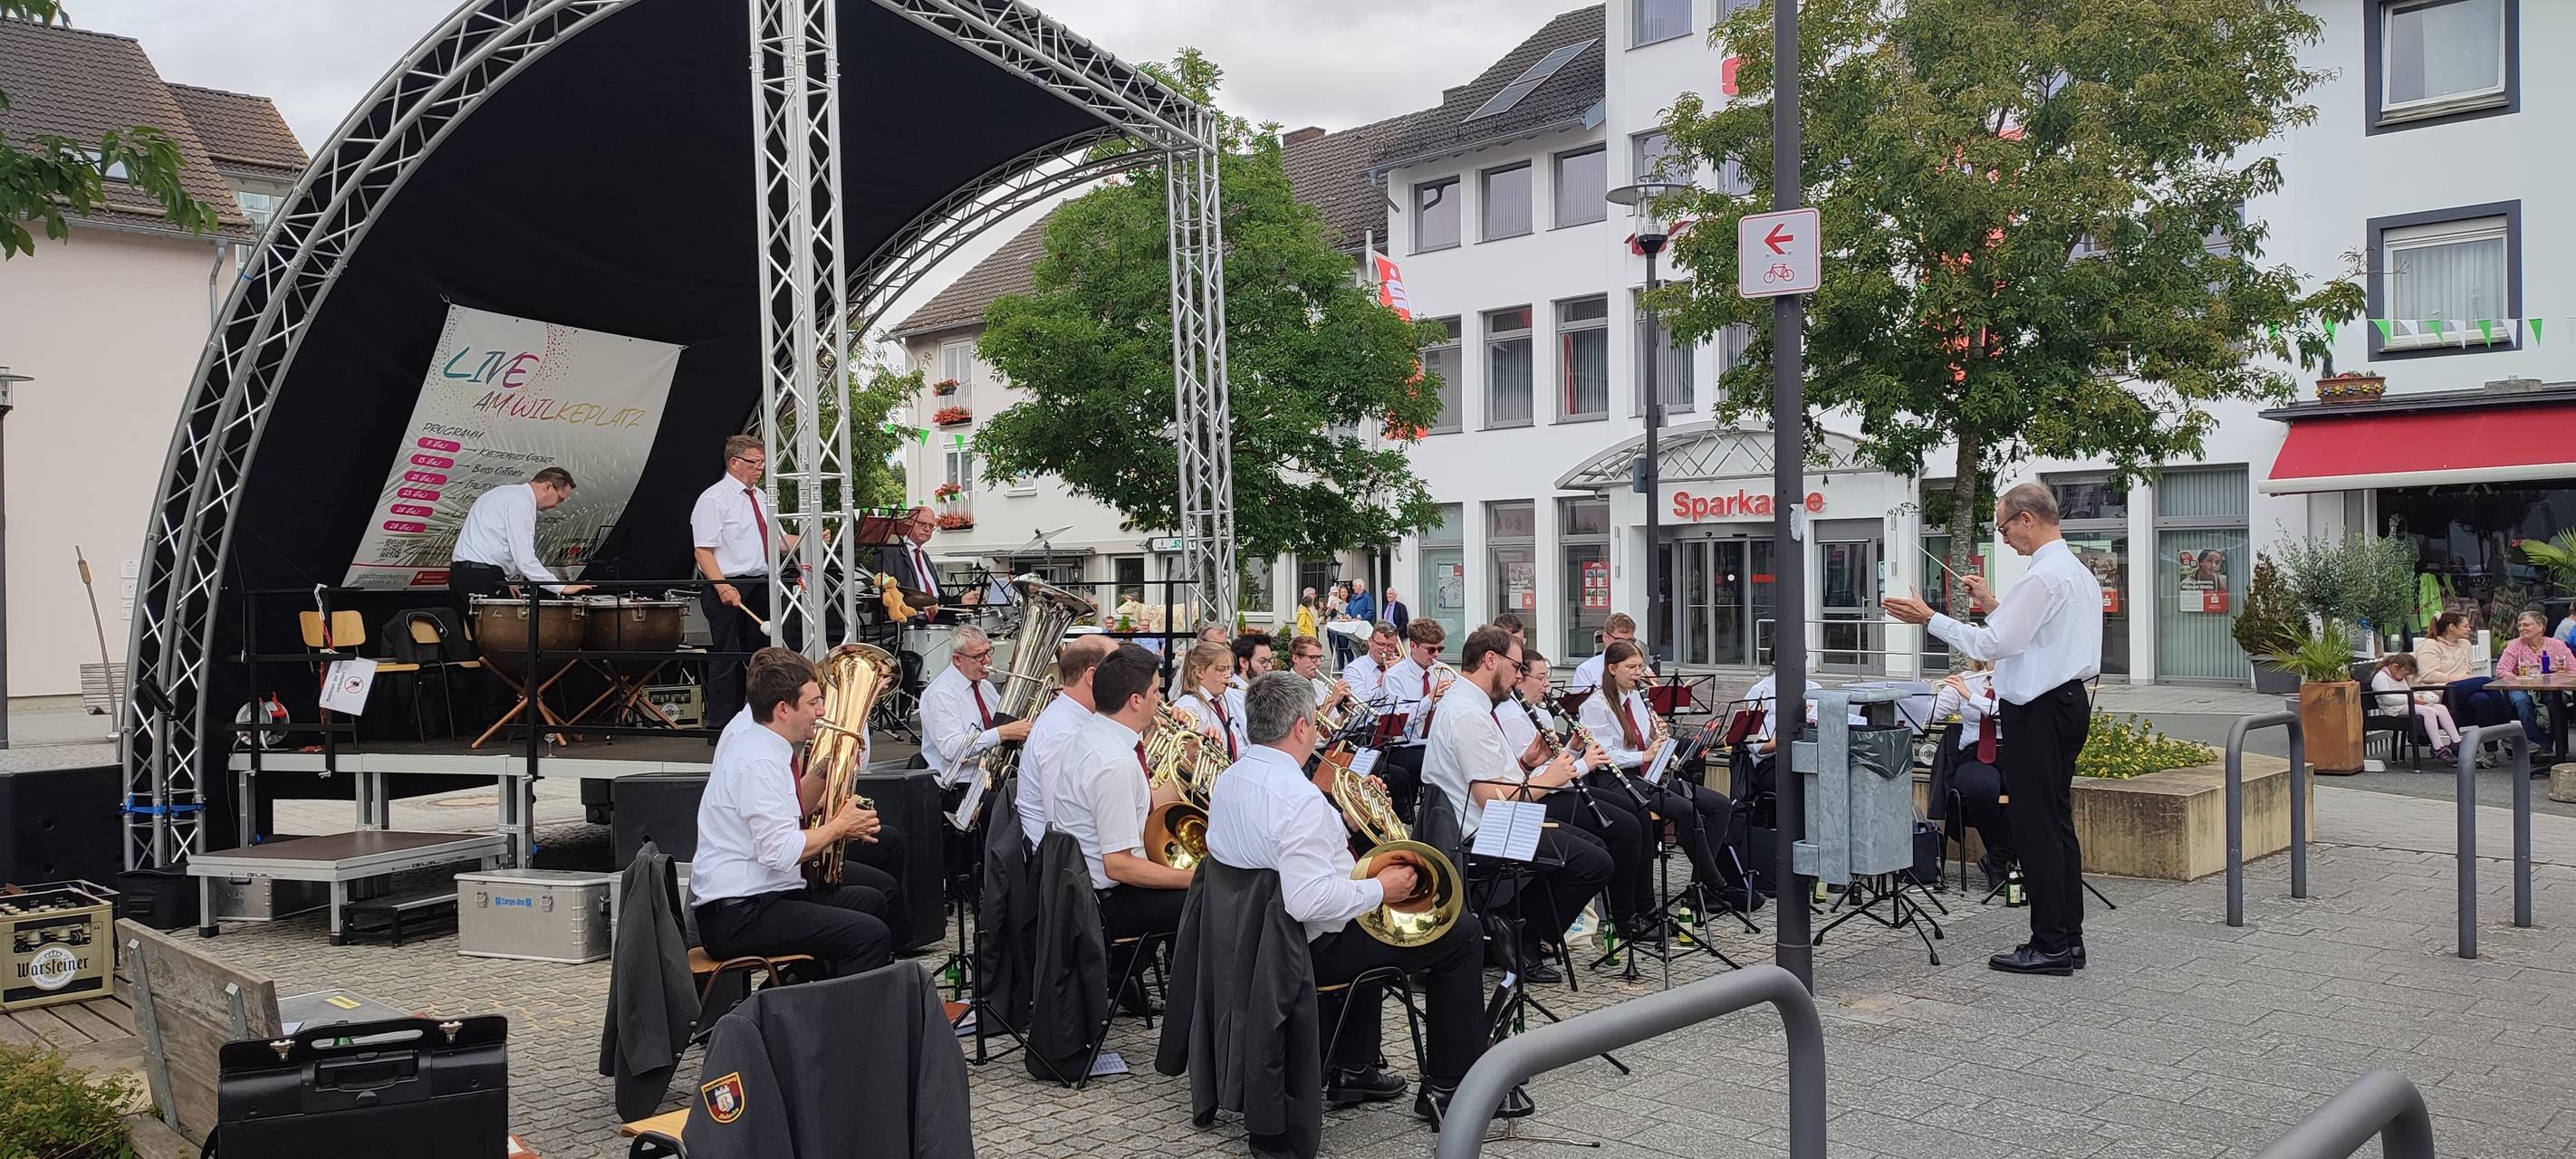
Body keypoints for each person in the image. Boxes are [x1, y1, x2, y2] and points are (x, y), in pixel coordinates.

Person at [1206, 672, 1529, 1124]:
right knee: (1462, 932)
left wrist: (1346, 826)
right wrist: (1384, 887)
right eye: (1314, 722)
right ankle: (1451, 1087)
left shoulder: (1232, 777)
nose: (1318, 730)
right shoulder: (1299, 798)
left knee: (1372, 917)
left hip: (1251, 942)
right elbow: (1308, 901)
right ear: (1300, 727)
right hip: (1302, 950)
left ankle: (1354, 1066)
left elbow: (1287, 857)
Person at [1883, 481, 2103, 976]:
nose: (2003, 538)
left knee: (2037, 828)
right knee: (2056, 824)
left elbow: (1994, 646)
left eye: (2004, 527)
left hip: (2040, 711)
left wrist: (1930, 618)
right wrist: (1988, 600)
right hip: (2066, 703)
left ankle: (2049, 944)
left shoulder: (2043, 577)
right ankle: (2068, 939)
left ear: (2027, 519)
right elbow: (2030, 636)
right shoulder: (2073, 572)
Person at [1419, 625, 1611, 982]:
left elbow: (1489, 779)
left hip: (1490, 821)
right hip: (1484, 834)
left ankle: (1515, 921)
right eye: (1517, 666)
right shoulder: (1469, 714)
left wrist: (1527, 762)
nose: (1519, 676)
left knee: (1596, 847)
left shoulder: (1469, 704)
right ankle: (1520, 930)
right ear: (1490, 659)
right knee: (1594, 863)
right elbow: (1491, 799)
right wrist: (1552, 778)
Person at [692, 649, 894, 979]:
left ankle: (798, 992)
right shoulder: (759, 761)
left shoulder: (766, 748)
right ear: (783, 709)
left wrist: (832, 766)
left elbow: (791, 812)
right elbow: (779, 852)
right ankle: (834, 1024)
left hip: (761, 899)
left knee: (871, 901)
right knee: (869, 935)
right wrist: (841, 826)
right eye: (813, 703)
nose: (823, 710)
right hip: (740, 914)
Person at [1580, 640, 1743, 913]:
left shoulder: (1637, 699)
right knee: (1685, 811)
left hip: (1649, 775)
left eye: (1640, 667)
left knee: (1719, 805)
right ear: (1611, 668)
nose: (1637, 673)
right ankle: (1716, 884)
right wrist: (1644, 755)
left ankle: (1700, 885)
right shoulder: (1596, 705)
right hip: (1620, 779)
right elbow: (1603, 755)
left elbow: (1646, 739)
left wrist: (1657, 736)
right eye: (1630, 667)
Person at [1054, 644, 1194, 954]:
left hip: (1089, 892)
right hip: (1107, 905)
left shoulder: (1095, 735)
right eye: (1156, 692)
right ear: (1135, 700)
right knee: (1215, 898)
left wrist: (1186, 765)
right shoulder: (1113, 764)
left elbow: (1141, 808)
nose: (1160, 700)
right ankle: (1200, 998)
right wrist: (1193, 878)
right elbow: (1118, 865)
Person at [693, 436, 798, 740]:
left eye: (763, 463)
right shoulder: (714, 499)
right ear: (734, 462)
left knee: (762, 656)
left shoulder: (763, 497)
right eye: (755, 463)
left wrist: (810, 536)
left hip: (761, 580)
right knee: (727, 655)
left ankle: (759, 721)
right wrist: (722, 586)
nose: (760, 469)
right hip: (727, 581)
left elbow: (777, 541)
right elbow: (703, 551)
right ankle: (721, 727)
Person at [1017, 635, 1117, 848]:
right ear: (1092, 676)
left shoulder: (1081, 718)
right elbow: (1064, 821)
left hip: (1078, 849)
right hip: (1065, 864)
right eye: (1117, 671)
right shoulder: (1062, 733)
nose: (1125, 680)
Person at [1931, 661, 2016, 888]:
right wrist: (1925, 696)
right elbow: (1928, 715)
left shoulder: (2020, 681)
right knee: (1981, 788)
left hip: (2014, 753)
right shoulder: (1966, 680)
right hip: (1975, 754)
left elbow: (2004, 713)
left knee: (2032, 791)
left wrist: (1969, 695)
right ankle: (2001, 860)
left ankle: (1996, 860)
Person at [448, 466, 591, 601]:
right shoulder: (521, 503)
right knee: (497, 628)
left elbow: (493, 544)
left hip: (465, 573)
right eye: (560, 498)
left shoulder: (504, 493)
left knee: (477, 627)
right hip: (480, 576)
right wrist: (561, 587)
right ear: (547, 486)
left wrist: (507, 581)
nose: (557, 505)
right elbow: (524, 557)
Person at [917, 624, 1034, 784]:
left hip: (991, 776)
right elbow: (951, 749)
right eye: (978, 656)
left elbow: (1006, 723)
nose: (987, 661)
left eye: (988, 652)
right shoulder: (941, 694)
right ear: (958, 659)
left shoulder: (984, 686)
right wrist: (1003, 733)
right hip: (959, 784)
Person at [2495, 609, 2572, 755]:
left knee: (2556, 702)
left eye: (2526, 625)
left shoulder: (2557, 645)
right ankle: (2540, 745)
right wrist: (2517, 678)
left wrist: (2558, 675)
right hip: (2522, 687)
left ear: (2540, 627)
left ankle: (2546, 747)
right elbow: (2501, 670)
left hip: (2552, 687)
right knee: (2521, 702)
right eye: (2519, 625)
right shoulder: (2515, 645)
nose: (2521, 628)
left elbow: (2573, 668)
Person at [2369, 653, 2465, 763]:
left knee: (2441, 708)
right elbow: (2388, 699)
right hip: (2393, 709)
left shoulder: (2399, 677)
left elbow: (2407, 692)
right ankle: (2438, 748)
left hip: (2406, 704)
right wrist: (2412, 699)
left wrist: (2418, 698)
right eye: (2405, 672)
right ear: (2395, 666)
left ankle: (2456, 741)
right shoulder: (2380, 678)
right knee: (2428, 711)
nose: (2405, 676)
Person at [1171, 640, 1245, 764]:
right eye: (1221, 669)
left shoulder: (1221, 701)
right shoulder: (1189, 705)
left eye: (1229, 670)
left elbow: (1237, 747)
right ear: (1200, 672)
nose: (1228, 676)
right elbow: (1183, 754)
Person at [870, 507, 947, 622]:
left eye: (931, 526)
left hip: (933, 621)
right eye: (922, 524)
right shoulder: (889, 550)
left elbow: (939, 597)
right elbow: (884, 590)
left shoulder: (923, 555)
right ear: (908, 523)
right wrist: (920, 605)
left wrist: (961, 600)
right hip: (905, 625)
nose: (927, 529)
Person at [1382, 618, 1453, 739]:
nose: (1436, 654)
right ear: (1413, 646)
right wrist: (1429, 700)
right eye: (1431, 650)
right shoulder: (1394, 677)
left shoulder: (1443, 670)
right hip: (1408, 746)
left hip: (1439, 743)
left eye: (1440, 649)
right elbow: (1398, 723)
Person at [1568, 613, 1640, 697]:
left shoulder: (1639, 667)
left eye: (1630, 640)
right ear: (1606, 637)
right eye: (1620, 640)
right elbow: (1581, 706)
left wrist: (1650, 686)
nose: (1625, 645)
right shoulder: (1586, 670)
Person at [1289, 634, 1350, 718]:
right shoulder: (1287, 689)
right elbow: (1308, 724)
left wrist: (1346, 710)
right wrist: (1333, 700)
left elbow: (1335, 724)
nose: (1318, 663)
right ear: (1295, 658)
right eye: (1313, 657)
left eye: (1319, 657)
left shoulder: (1320, 685)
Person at [1343, 622, 1399, 708]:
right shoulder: (1354, 669)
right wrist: (1382, 682)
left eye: (1391, 646)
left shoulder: (1400, 665)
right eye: (1381, 644)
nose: (1385, 650)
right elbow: (1360, 704)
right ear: (1370, 641)